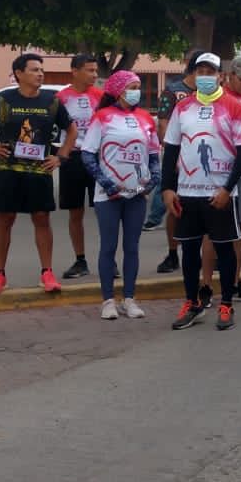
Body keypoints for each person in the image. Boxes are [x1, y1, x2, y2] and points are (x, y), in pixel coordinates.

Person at [0, 53, 76, 296]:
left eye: (41, 70)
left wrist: (60, 157)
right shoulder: (4, 98)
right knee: (4, 219)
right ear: (19, 73)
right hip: (9, 170)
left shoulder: (52, 101)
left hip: (40, 171)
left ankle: (47, 272)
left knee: (41, 219)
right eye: (34, 69)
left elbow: (72, 130)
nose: (40, 74)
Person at [162, 52, 241, 332]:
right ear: (193, 74)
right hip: (187, 193)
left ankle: (226, 303)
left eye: (210, 71)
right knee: (188, 250)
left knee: (224, 251)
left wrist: (228, 188)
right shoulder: (183, 108)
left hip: (220, 195)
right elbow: (171, 149)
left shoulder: (234, 107)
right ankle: (192, 303)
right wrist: (167, 188)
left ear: (220, 76)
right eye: (200, 70)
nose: (205, 75)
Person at [78, 69, 159, 320]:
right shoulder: (102, 117)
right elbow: (88, 154)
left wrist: (153, 179)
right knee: (109, 246)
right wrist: (106, 183)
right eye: (132, 87)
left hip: (136, 194)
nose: (136, 92)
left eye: (138, 87)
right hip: (108, 195)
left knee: (132, 247)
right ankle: (107, 301)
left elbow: (154, 155)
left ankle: (130, 298)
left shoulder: (146, 118)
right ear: (118, 90)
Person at [205, 56, 241, 303]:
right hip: (219, 172)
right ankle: (205, 286)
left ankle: (235, 282)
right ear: (230, 76)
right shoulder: (216, 101)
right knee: (212, 229)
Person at [56, 53, 104, 279]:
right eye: (89, 70)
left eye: (96, 71)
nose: (94, 75)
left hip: (97, 158)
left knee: (105, 212)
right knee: (75, 212)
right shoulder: (61, 98)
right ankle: (80, 260)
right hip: (72, 159)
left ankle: (109, 260)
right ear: (75, 71)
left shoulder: (102, 97)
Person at [148, 69, 192, 270]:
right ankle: (173, 254)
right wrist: (173, 155)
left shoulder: (211, 94)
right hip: (176, 159)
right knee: (174, 206)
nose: (208, 76)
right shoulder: (173, 92)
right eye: (203, 71)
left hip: (201, 162)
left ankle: (205, 255)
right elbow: (163, 125)